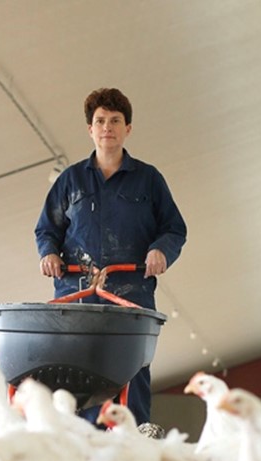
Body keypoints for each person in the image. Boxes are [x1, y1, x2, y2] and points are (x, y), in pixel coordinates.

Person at [34, 87, 187, 426]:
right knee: (76, 369)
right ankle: (79, 437)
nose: (108, 128)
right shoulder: (70, 181)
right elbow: (47, 229)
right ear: (90, 129)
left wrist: (160, 250)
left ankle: (134, 437)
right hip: (77, 293)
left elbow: (174, 228)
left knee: (132, 369)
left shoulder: (148, 180)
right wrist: (49, 254)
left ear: (127, 129)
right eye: (100, 121)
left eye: (115, 121)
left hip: (131, 292)